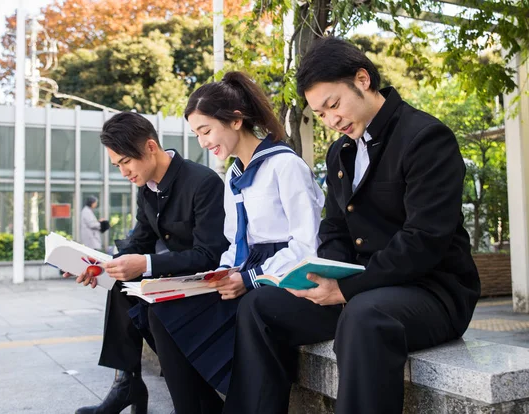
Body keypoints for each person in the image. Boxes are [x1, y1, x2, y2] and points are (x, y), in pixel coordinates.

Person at [222, 37, 481, 414]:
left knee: (364, 317)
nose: (332, 120)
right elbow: (335, 229)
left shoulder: (425, 138)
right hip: (361, 286)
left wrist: (347, 288)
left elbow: (425, 239)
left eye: (333, 105)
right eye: (322, 114)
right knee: (260, 306)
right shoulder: (340, 151)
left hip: (432, 291)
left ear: (362, 80)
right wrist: (320, 274)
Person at [147, 71, 325, 414]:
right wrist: (222, 273)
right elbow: (235, 242)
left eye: (206, 130)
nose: (202, 142)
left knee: (249, 309)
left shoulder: (284, 166)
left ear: (236, 120)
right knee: (162, 310)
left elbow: (307, 244)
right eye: (197, 134)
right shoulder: (234, 175)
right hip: (247, 270)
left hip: (285, 274)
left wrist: (248, 279)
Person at [66, 111, 229, 414]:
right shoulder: (147, 190)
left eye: (126, 162)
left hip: (210, 281)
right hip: (177, 279)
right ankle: (128, 382)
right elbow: (138, 241)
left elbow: (211, 255)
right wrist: (93, 266)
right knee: (120, 285)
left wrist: (145, 264)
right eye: (117, 165)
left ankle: (188, 401)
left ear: (151, 147)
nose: (123, 172)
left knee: (157, 311)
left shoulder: (202, 182)